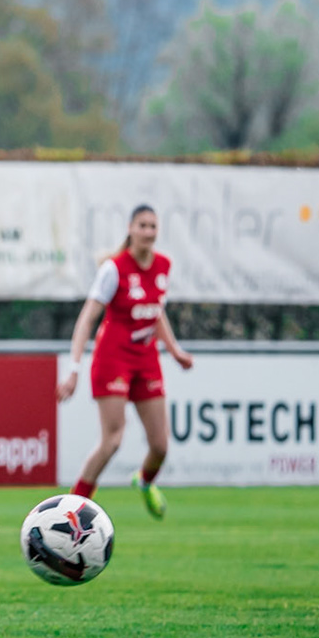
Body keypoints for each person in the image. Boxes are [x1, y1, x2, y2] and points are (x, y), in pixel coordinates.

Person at [56, 204, 194, 518]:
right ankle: (71, 511)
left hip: (146, 359)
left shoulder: (163, 266)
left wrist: (174, 350)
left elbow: (155, 313)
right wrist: (73, 370)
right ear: (130, 229)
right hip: (113, 358)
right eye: (142, 225)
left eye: (153, 226)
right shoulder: (114, 269)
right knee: (113, 439)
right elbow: (87, 319)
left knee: (160, 446)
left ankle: (144, 482)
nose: (148, 232)